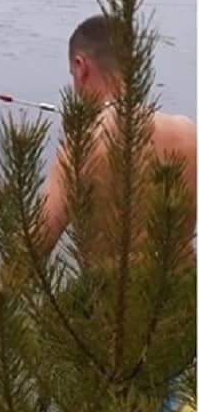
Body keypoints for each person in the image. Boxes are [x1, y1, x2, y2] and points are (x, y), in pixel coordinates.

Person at [40, 14, 196, 255]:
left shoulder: (80, 147)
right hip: (181, 289)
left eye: (73, 75)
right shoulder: (187, 133)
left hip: (110, 291)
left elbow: (28, 254)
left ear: (81, 68)